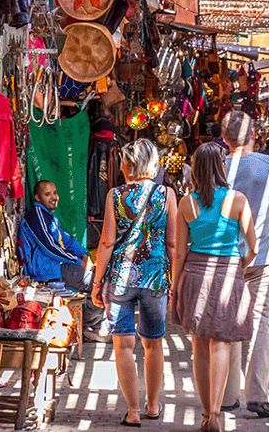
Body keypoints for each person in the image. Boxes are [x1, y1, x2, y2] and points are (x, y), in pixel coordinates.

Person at [91, 139, 178, 427]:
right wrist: (172, 282)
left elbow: (107, 241)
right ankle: (153, 405)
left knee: (123, 345)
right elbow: (172, 244)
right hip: (155, 277)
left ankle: (133, 411)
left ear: (130, 165)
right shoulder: (167, 194)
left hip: (120, 279)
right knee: (153, 344)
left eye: (125, 163)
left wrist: (96, 281)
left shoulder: (115, 195)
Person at [172, 145, 258, 432]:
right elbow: (254, 247)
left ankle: (207, 413)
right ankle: (218, 415)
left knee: (199, 346)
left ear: (195, 168)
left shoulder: (187, 203)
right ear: (222, 165)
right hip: (228, 272)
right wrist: (239, 268)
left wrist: (174, 285)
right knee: (220, 342)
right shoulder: (237, 200)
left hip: (194, 274)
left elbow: (180, 253)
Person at [217, 112, 269, 419]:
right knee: (261, 322)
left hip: (224, 256)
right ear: (254, 136)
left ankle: (226, 396)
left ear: (224, 139)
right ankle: (258, 395)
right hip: (262, 255)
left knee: (230, 321)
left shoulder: (219, 167)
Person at [18, 180, 108, 340]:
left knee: (99, 283)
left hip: (58, 267)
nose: (53, 197)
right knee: (99, 283)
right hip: (47, 271)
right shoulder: (36, 215)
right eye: (47, 194)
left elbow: (68, 241)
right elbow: (50, 247)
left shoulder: (49, 218)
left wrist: (85, 255)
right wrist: (79, 262)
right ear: (37, 198)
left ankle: (89, 324)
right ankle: (87, 324)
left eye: (54, 193)